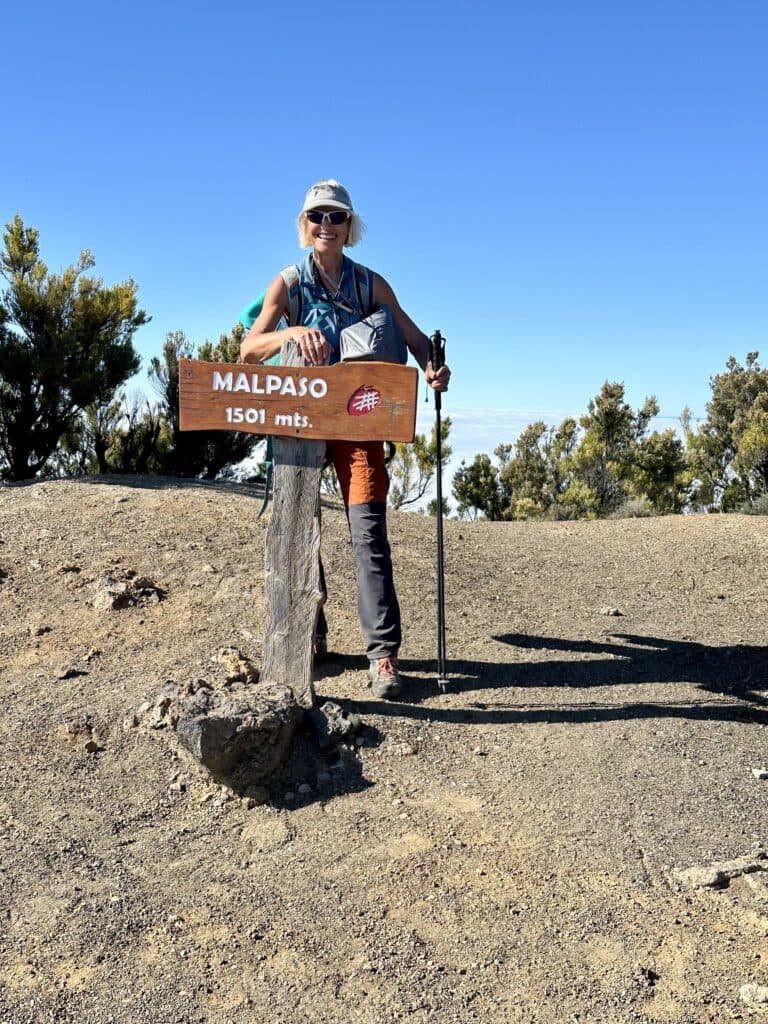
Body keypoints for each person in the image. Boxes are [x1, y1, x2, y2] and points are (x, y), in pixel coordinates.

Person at [241, 179, 450, 699]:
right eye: (317, 217)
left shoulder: (370, 284)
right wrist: (291, 333)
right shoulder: (287, 284)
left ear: (349, 226)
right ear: (304, 224)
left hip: (358, 422)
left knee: (368, 533)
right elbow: (249, 351)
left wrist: (433, 370)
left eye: (336, 217)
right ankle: (308, 638)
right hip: (300, 426)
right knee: (296, 529)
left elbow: (418, 339)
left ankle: (382, 657)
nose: (326, 226)